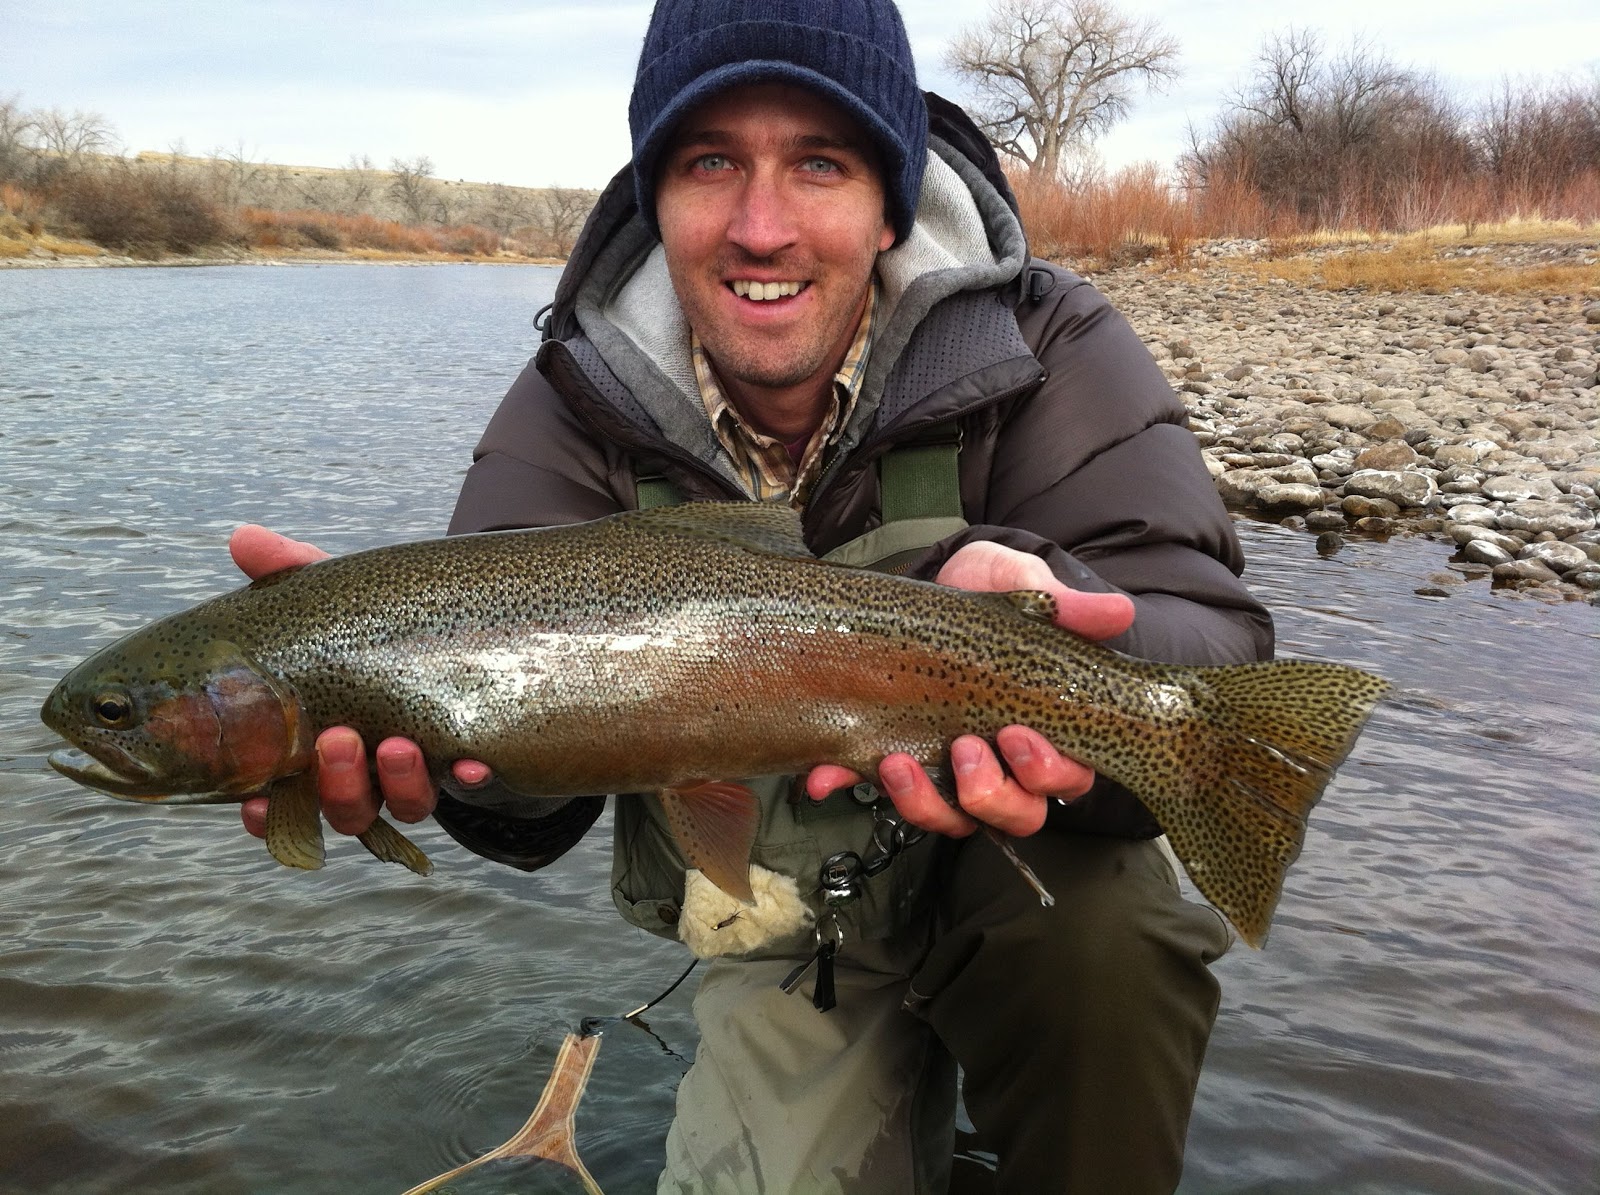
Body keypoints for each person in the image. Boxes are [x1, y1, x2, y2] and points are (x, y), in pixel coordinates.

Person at [232, 1, 1272, 1190]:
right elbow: (529, 813)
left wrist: (1062, 616)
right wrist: (438, 740)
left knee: (1114, 945)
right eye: (709, 162)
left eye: (817, 163)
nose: (760, 226)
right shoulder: (574, 400)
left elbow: (1221, 660)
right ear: (653, 200)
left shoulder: (1043, 342)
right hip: (785, 923)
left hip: (1034, 880)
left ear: (889, 200)